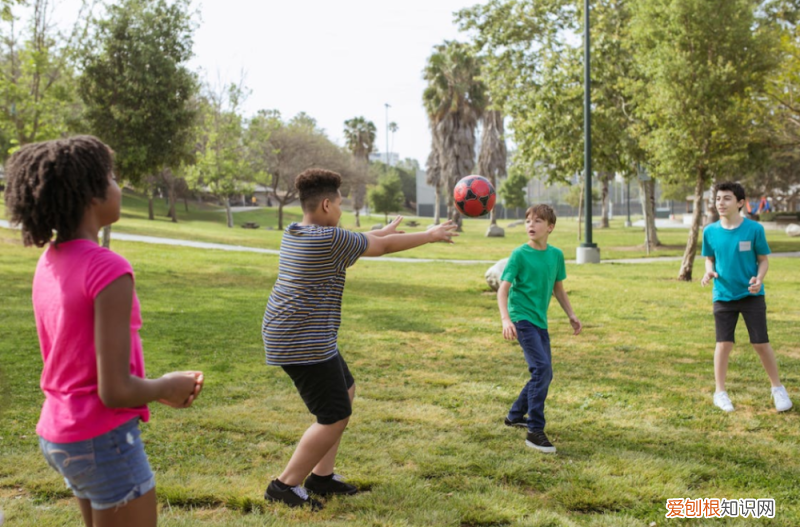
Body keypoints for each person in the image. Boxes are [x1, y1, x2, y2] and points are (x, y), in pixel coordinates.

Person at [4, 136, 204, 527]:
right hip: (102, 439)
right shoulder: (107, 268)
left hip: (60, 432)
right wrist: (167, 386)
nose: (119, 185)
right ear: (91, 194)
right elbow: (114, 391)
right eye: (112, 177)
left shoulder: (50, 260)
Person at [261, 168, 457, 509]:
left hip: (301, 333)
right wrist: (429, 235)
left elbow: (363, 239)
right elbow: (380, 247)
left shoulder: (296, 231)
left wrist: (379, 232)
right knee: (334, 415)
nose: (342, 211)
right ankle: (283, 486)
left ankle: (321, 477)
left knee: (346, 391)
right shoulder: (329, 239)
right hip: (302, 340)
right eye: (340, 205)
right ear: (326, 205)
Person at [496, 204, 582, 454]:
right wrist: (506, 320)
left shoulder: (556, 255)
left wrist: (571, 314)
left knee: (544, 373)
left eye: (537, 221)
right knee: (541, 369)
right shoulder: (519, 254)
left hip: (540, 321)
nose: (531, 225)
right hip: (521, 318)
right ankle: (535, 431)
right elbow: (503, 290)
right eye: (528, 221)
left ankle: (515, 415)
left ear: (550, 227)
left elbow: (558, 288)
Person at [701, 181, 792, 413]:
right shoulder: (710, 231)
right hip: (723, 295)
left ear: (740, 203)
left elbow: (763, 260)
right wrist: (709, 271)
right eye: (718, 198)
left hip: (752, 294)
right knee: (724, 343)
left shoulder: (754, 229)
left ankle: (778, 389)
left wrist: (759, 279)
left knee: (761, 343)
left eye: (727, 198)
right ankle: (720, 393)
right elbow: (709, 258)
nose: (721, 203)